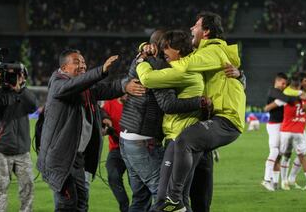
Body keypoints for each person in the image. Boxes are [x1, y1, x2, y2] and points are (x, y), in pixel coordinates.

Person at [137, 11, 246, 211]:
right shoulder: (204, 54)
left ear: (206, 31)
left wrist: (143, 62)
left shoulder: (211, 51)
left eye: (195, 25)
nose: (191, 29)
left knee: (184, 142)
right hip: (208, 125)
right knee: (201, 199)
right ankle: (176, 200)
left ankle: (175, 199)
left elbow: (182, 66)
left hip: (222, 120)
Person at [37, 49, 144, 211]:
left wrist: (125, 86)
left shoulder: (84, 88)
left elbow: (107, 89)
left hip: (77, 158)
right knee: (67, 205)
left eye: (83, 62)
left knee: (81, 203)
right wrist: (100, 71)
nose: (82, 65)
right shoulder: (58, 83)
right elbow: (72, 86)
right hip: (60, 159)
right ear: (64, 68)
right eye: (76, 62)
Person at [119, 30, 207, 212]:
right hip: (143, 138)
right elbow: (168, 103)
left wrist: (141, 53)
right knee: (167, 197)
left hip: (128, 135)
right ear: (159, 49)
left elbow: (131, 74)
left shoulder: (141, 59)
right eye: (165, 46)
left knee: (140, 199)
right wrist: (199, 102)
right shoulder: (158, 67)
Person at [265, 72, 306, 191]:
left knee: (282, 156)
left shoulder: (287, 96)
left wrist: (268, 107)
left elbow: (269, 107)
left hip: (286, 130)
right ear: (301, 83)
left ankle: (277, 182)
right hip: (299, 131)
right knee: (302, 156)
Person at [0, 64, 37, 212]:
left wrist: (20, 89)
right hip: (0, 150)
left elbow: (33, 106)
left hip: (22, 151)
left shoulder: (24, 93)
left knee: (28, 189)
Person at [261, 72, 301, 191]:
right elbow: (286, 99)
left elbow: (285, 100)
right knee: (274, 151)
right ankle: (267, 179)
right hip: (274, 126)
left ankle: (274, 182)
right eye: (282, 83)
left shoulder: (280, 93)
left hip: (282, 126)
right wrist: (299, 95)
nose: (284, 85)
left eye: (285, 84)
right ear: (277, 81)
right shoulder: (273, 91)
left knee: (278, 154)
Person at [102, 96, 130, 212]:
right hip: (116, 149)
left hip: (137, 149)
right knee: (113, 176)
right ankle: (125, 206)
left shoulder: (137, 103)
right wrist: (104, 127)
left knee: (138, 184)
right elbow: (101, 116)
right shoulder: (109, 104)